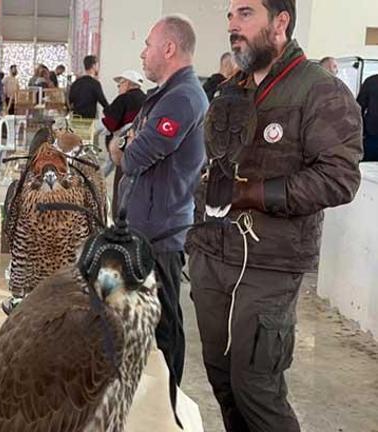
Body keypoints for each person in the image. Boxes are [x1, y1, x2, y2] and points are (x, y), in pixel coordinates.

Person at [186, 1, 363, 431]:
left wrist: (256, 193)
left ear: (280, 21)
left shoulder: (319, 90)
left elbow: (340, 178)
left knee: (256, 387)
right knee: (222, 378)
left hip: (270, 262)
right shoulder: (231, 89)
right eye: (229, 16)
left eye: (245, 13)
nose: (232, 25)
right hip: (213, 255)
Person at [108, 14, 207, 421]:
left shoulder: (182, 98)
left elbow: (133, 156)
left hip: (161, 234)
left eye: (148, 44)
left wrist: (124, 146)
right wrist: (125, 141)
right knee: (143, 323)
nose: (143, 53)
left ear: (169, 48)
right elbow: (126, 139)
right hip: (143, 228)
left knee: (164, 326)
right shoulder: (164, 94)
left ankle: (167, 411)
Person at [100, 70, 146, 213]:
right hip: (142, 153)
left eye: (119, 85)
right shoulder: (147, 99)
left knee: (120, 188)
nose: (119, 88)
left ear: (127, 83)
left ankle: (117, 222)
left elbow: (110, 124)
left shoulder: (123, 99)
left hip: (122, 151)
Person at [358, 73, 378, 161]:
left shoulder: (371, 81)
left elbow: (359, 108)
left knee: (367, 168)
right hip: (372, 135)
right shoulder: (371, 82)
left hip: (371, 133)